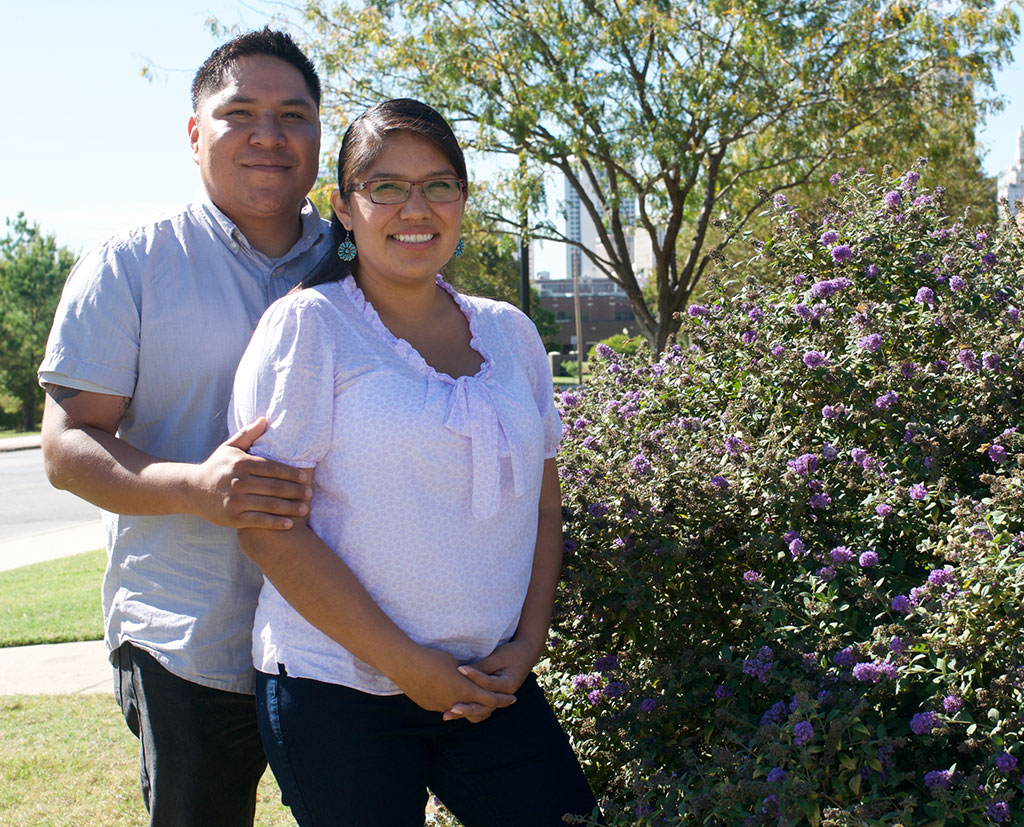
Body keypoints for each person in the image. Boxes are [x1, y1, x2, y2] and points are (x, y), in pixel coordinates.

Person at [229, 98, 601, 826]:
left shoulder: (511, 333)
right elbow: (266, 525)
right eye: (386, 186)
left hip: (491, 684)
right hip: (338, 688)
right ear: (342, 205)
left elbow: (544, 505)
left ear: (463, 200)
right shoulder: (310, 327)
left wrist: (528, 641)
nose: (416, 206)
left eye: (440, 184)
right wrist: (406, 664)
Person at [38, 29, 331, 827]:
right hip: (188, 634)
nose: (269, 134)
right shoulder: (128, 265)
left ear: (318, 134)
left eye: (293, 114)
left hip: (344, 637)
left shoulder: (361, 259)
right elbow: (67, 446)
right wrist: (194, 488)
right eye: (240, 112)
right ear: (195, 133)